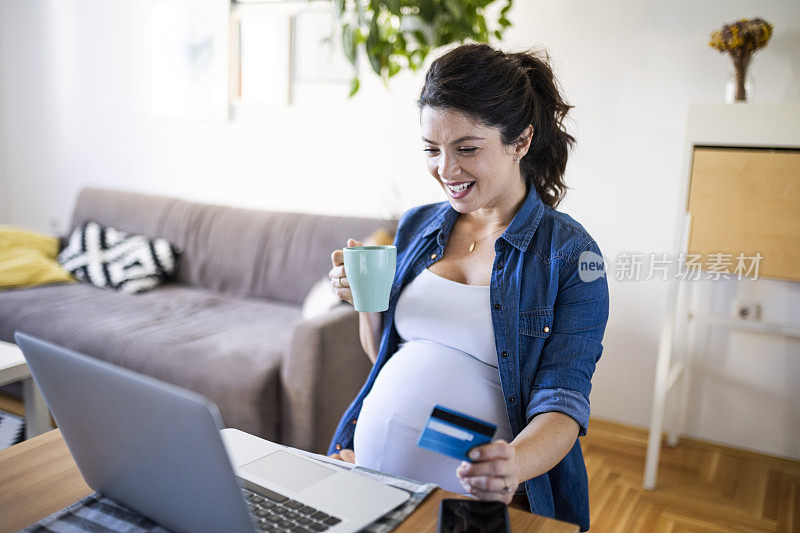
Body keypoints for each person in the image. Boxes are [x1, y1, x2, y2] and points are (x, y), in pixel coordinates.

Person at [326, 43, 609, 532]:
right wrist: (364, 303)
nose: (446, 170)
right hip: (370, 479)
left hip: (476, 505)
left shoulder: (571, 257)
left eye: (467, 149)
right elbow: (385, 356)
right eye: (432, 150)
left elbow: (563, 405)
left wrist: (514, 464)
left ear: (521, 140)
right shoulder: (417, 227)